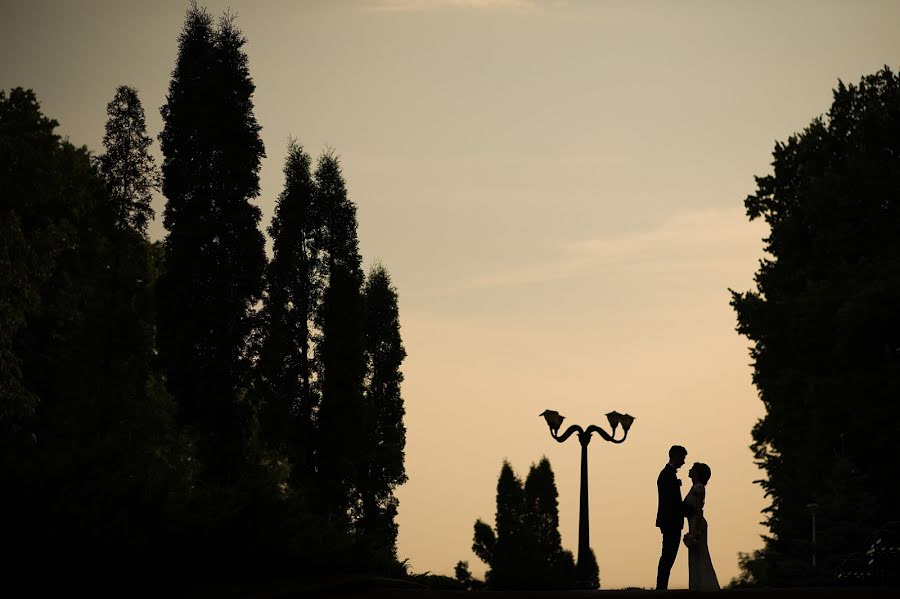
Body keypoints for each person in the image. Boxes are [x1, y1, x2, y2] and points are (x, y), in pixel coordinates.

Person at [683, 462, 720, 591]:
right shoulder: (695, 487)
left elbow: (699, 510)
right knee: (695, 556)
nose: (690, 470)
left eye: (692, 469)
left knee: (700, 554)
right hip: (693, 523)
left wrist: (694, 531)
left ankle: (704, 585)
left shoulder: (698, 488)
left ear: (697, 473)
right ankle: (698, 584)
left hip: (697, 524)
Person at [656, 445, 687, 590]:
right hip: (671, 522)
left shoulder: (667, 474)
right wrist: (689, 509)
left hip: (670, 521)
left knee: (668, 555)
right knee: (668, 555)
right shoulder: (667, 475)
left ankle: (662, 586)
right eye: (683, 458)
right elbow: (672, 501)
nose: (684, 462)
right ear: (676, 457)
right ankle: (661, 587)